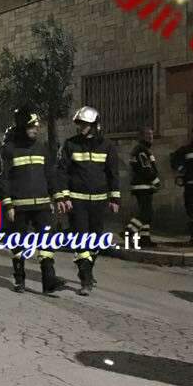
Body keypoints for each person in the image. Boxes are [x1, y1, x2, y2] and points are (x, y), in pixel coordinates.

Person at [54, 106, 121, 296]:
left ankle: (87, 270)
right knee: (81, 238)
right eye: (80, 124)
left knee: (96, 240)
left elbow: (113, 173)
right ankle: (85, 280)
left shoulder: (107, 146)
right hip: (77, 202)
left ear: (95, 125)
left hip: (99, 201)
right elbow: (62, 172)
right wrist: (64, 197)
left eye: (85, 124)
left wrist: (115, 198)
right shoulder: (70, 144)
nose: (81, 127)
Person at [0, 108, 61, 294]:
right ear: (22, 127)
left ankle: (49, 281)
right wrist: (8, 204)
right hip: (19, 206)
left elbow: (50, 175)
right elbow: (2, 179)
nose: (36, 129)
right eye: (32, 126)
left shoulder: (42, 148)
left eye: (37, 126)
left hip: (42, 205)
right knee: (18, 244)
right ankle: (19, 279)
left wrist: (57, 197)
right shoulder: (9, 150)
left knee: (47, 241)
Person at [129, 127, 160, 248]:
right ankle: (129, 231)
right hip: (143, 186)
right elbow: (146, 169)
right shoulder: (141, 150)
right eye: (147, 135)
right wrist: (156, 181)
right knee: (146, 213)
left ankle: (145, 238)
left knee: (147, 213)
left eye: (151, 134)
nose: (150, 137)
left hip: (143, 185)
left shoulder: (142, 150)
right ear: (141, 136)